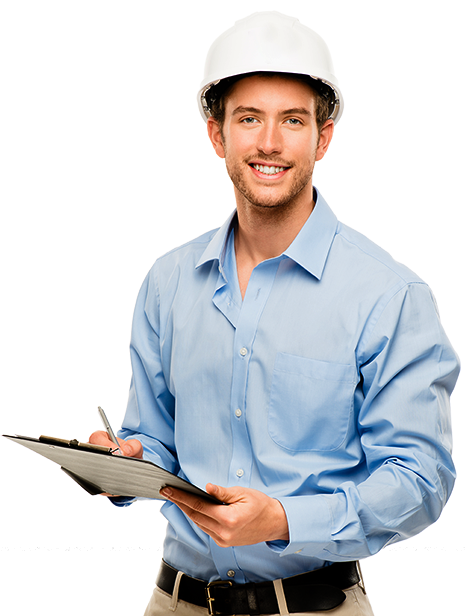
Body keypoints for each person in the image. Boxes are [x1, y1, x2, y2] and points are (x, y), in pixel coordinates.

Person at [89, 11, 460, 615]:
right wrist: (124, 460)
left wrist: (285, 519)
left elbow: (419, 480)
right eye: (248, 119)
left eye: (292, 120)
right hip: (173, 601)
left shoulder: (389, 295)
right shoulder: (168, 282)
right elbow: (153, 438)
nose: (268, 142)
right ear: (217, 136)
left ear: (323, 137)